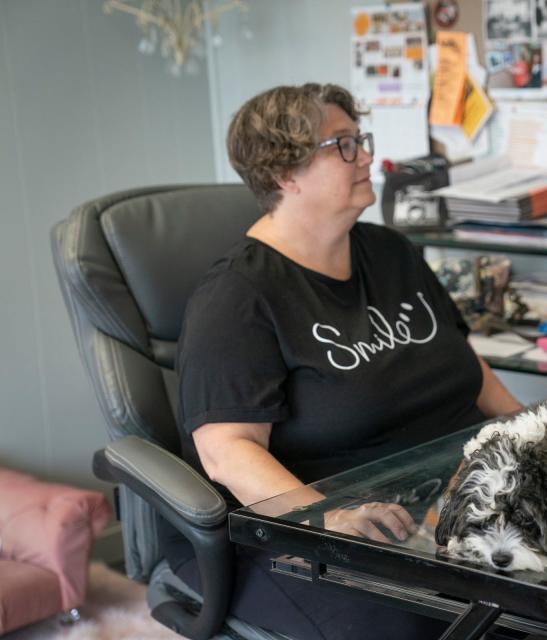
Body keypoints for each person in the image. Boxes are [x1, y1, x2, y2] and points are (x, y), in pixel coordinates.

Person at [161, 83, 523, 639]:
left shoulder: (390, 251)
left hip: (443, 503)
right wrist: (327, 519)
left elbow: (467, 369)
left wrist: (536, 438)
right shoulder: (238, 296)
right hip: (304, 538)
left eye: (361, 140)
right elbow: (227, 453)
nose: (368, 157)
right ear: (286, 174)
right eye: (344, 145)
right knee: (430, 625)